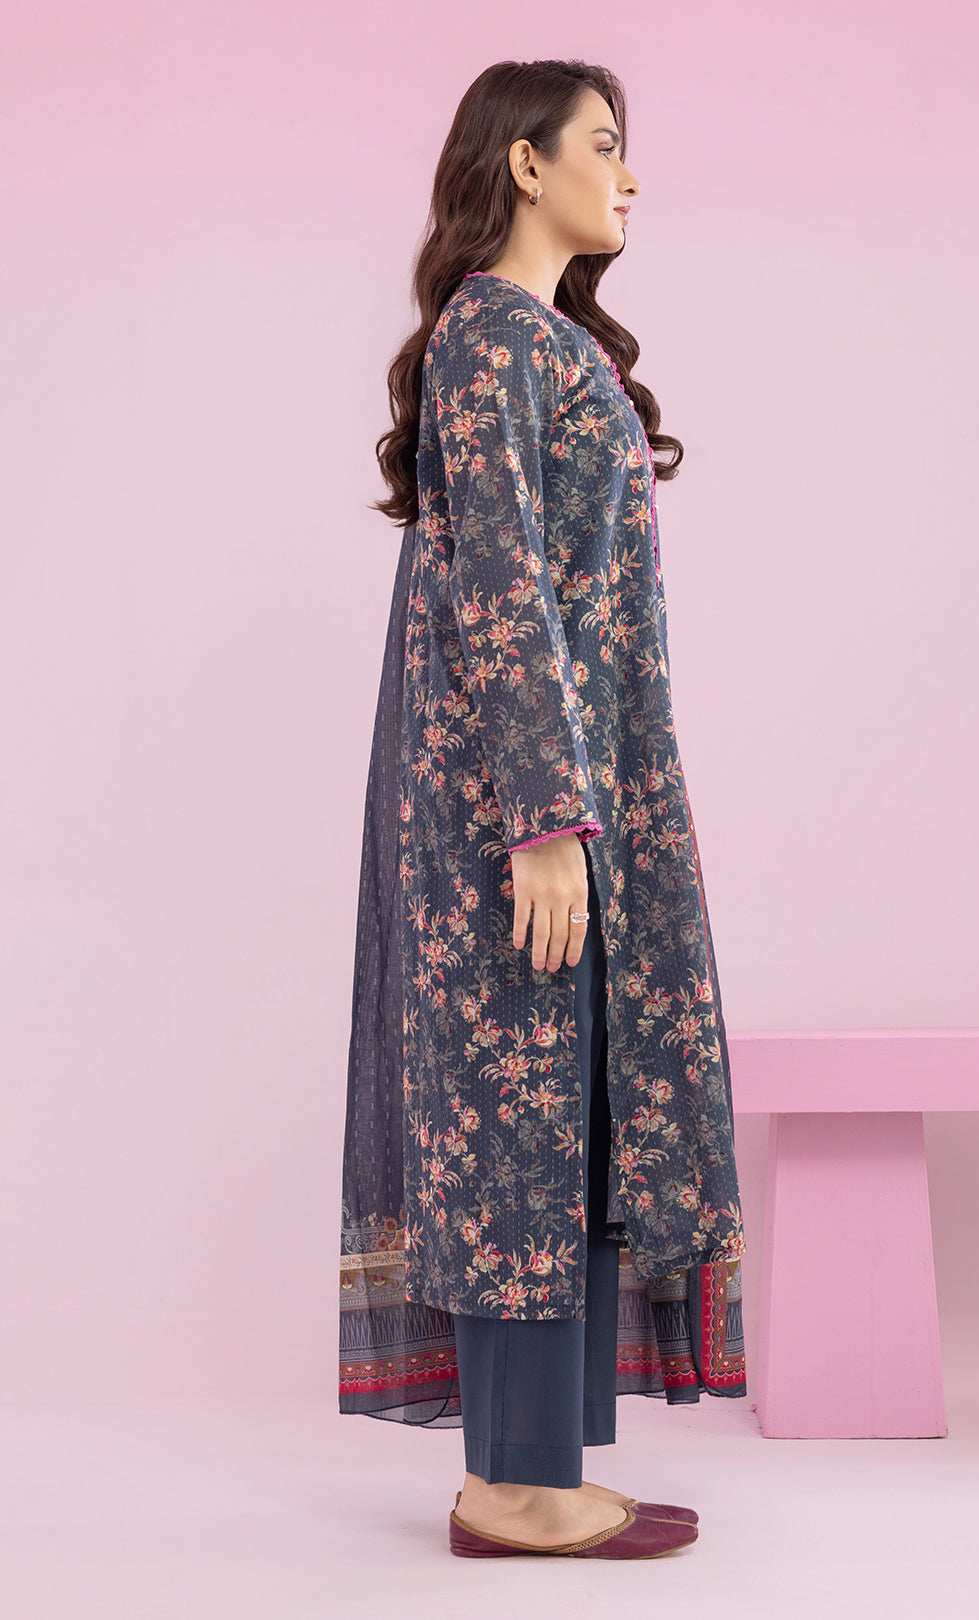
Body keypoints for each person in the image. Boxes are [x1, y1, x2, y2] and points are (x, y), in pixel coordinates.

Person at [339, 58, 746, 1560]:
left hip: (577, 785)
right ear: (524, 162)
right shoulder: (487, 336)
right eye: (603, 145)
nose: (628, 177)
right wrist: (544, 820)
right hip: (520, 805)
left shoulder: (546, 340)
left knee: (566, 1112)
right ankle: (513, 1488)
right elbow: (502, 584)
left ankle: (539, 1470)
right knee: (517, 1114)